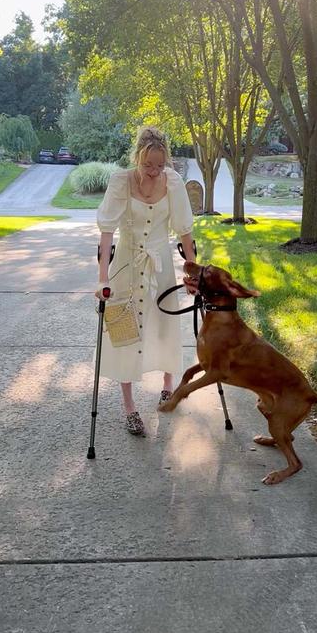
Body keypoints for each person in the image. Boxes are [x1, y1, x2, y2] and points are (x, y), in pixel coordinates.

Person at [95, 126, 196, 436]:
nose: (153, 172)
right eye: (147, 165)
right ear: (137, 158)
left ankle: (168, 386)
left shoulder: (174, 182)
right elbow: (107, 234)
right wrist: (101, 280)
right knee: (125, 333)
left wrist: (192, 271)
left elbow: (184, 231)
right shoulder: (120, 182)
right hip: (125, 267)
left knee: (164, 327)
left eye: (159, 165)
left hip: (161, 267)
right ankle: (130, 408)